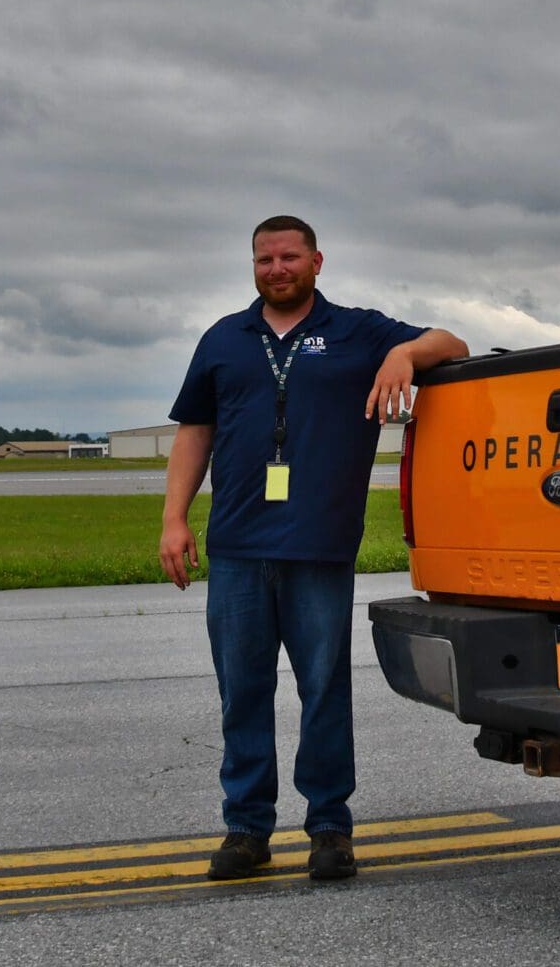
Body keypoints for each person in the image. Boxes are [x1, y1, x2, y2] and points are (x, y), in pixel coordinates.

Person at [159, 215, 468, 882]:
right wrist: (173, 519)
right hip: (238, 547)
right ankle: (246, 828)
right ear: (253, 265)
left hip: (320, 547)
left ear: (317, 261)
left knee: (323, 689)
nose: (277, 268)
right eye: (265, 258)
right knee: (242, 690)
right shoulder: (224, 339)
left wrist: (403, 355)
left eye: (289, 256)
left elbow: (453, 341)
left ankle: (330, 825)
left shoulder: (358, 331)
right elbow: (194, 431)